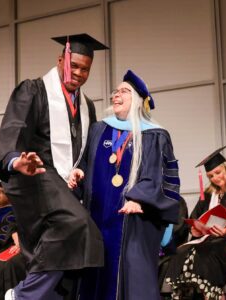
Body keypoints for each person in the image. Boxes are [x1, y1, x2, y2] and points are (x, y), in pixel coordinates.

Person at [0, 33, 108, 300]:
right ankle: (23, 295)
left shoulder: (87, 106)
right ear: (61, 60)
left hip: (68, 183)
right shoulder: (33, 90)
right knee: (76, 223)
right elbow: (13, 128)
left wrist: (81, 169)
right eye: (75, 65)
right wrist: (16, 159)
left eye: (85, 69)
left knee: (89, 240)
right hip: (36, 174)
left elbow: (86, 148)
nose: (79, 73)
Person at [68, 69, 180, 300]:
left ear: (138, 100)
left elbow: (161, 176)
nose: (116, 95)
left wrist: (141, 199)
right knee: (95, 273)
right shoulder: (99, 129)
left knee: (134, 276)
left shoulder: (154, 135)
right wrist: (78, 173)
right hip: (97, 217)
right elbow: (86, 163)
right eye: (115, 91)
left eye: (124, 91)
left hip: (135, 219)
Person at [165, 146, 226, 300]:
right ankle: (186, 294)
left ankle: (214, 295)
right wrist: (195, 230)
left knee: (206, 254)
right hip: (209, 238)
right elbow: (195, 218)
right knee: (181, 252)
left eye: (218, 173)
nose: (215, 178)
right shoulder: (209, 194)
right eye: (210, 176)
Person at [0, 230, 27, 300]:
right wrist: (17, 239)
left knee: (10, 263)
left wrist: (24, 243)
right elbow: (14, 226)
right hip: (19, 240)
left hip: (39, 245)